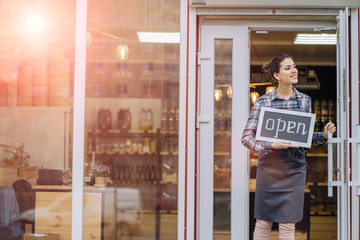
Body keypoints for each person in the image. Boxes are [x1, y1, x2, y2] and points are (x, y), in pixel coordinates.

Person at [241, 54, 336, 240]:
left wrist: (323, 136)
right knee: (263, 222)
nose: (294, 71)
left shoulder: (305, 101)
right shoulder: (263, 102)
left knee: (288, 223)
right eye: (288, 68)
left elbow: (304, 138)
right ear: (276, 75)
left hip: (294, 169)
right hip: (269, 169)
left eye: (294, 66)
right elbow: (246, 138)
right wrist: (272, 145)